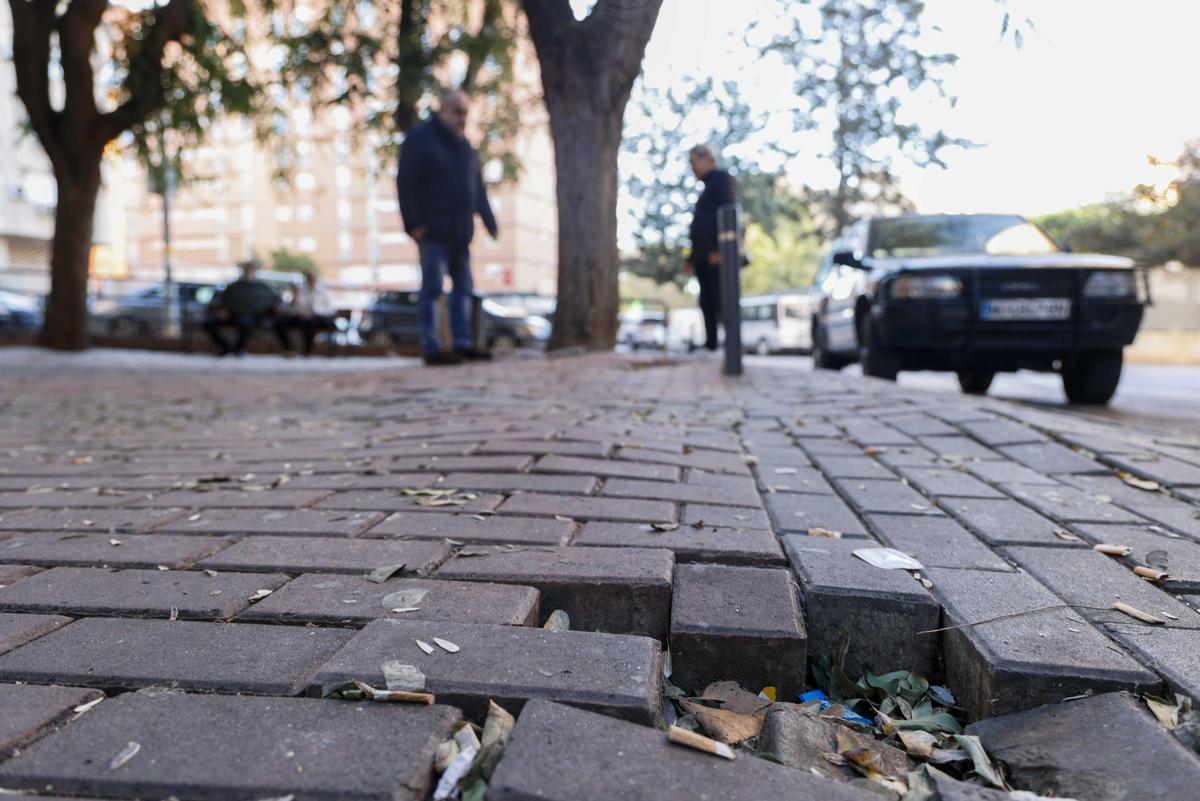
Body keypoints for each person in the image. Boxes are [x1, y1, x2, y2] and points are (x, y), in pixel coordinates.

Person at [396, 89, 498, 366]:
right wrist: (413, 223)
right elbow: (406, 182)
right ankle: (432, 347)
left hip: (460, 233)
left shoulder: (465, 147)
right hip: (432, 231)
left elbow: (477, 189)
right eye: (457, 111)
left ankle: (462, 343)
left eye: (465, 112)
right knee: (432, 289)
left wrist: (490, 222)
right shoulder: (420, 140)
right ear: (441, 109)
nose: (462, 118)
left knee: (463, 289)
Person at [684, 144, 736, 352]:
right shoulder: (707, 186)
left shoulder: (720, 179)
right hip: (704, 257)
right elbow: (701, 226)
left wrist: (719, 249)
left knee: (719, 300)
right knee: (706, 300)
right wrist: (691, 258)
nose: (692, 168)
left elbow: (727, 212)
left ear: (706, 158)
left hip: (716, 256)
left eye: (693, 163)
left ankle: (732, 346)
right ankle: (712, 343)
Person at [202, 259, 280, 356]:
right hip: (232, 315)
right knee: (208, 323)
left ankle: (239, 348)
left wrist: (273, 309)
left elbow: (277, 300)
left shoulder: (263, 287)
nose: (248, 272)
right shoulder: (234, 286)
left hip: (255, 316)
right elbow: (221, 300)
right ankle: (225, 348)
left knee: (245, 321)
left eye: (250, 269)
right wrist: (222, 310)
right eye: (246, 269)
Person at [275, 269, 337, 356]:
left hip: (320, 317)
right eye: (309, 278)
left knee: (311, 323)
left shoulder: (323, 291)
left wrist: (313, 313)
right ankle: (289, 349)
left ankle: (307, 351)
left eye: (313, 278)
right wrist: (295, 299)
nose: (311, 280)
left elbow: (330, 309)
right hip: (302, 317)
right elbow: (290, 309)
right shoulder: (301, 290)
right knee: (280, 323)